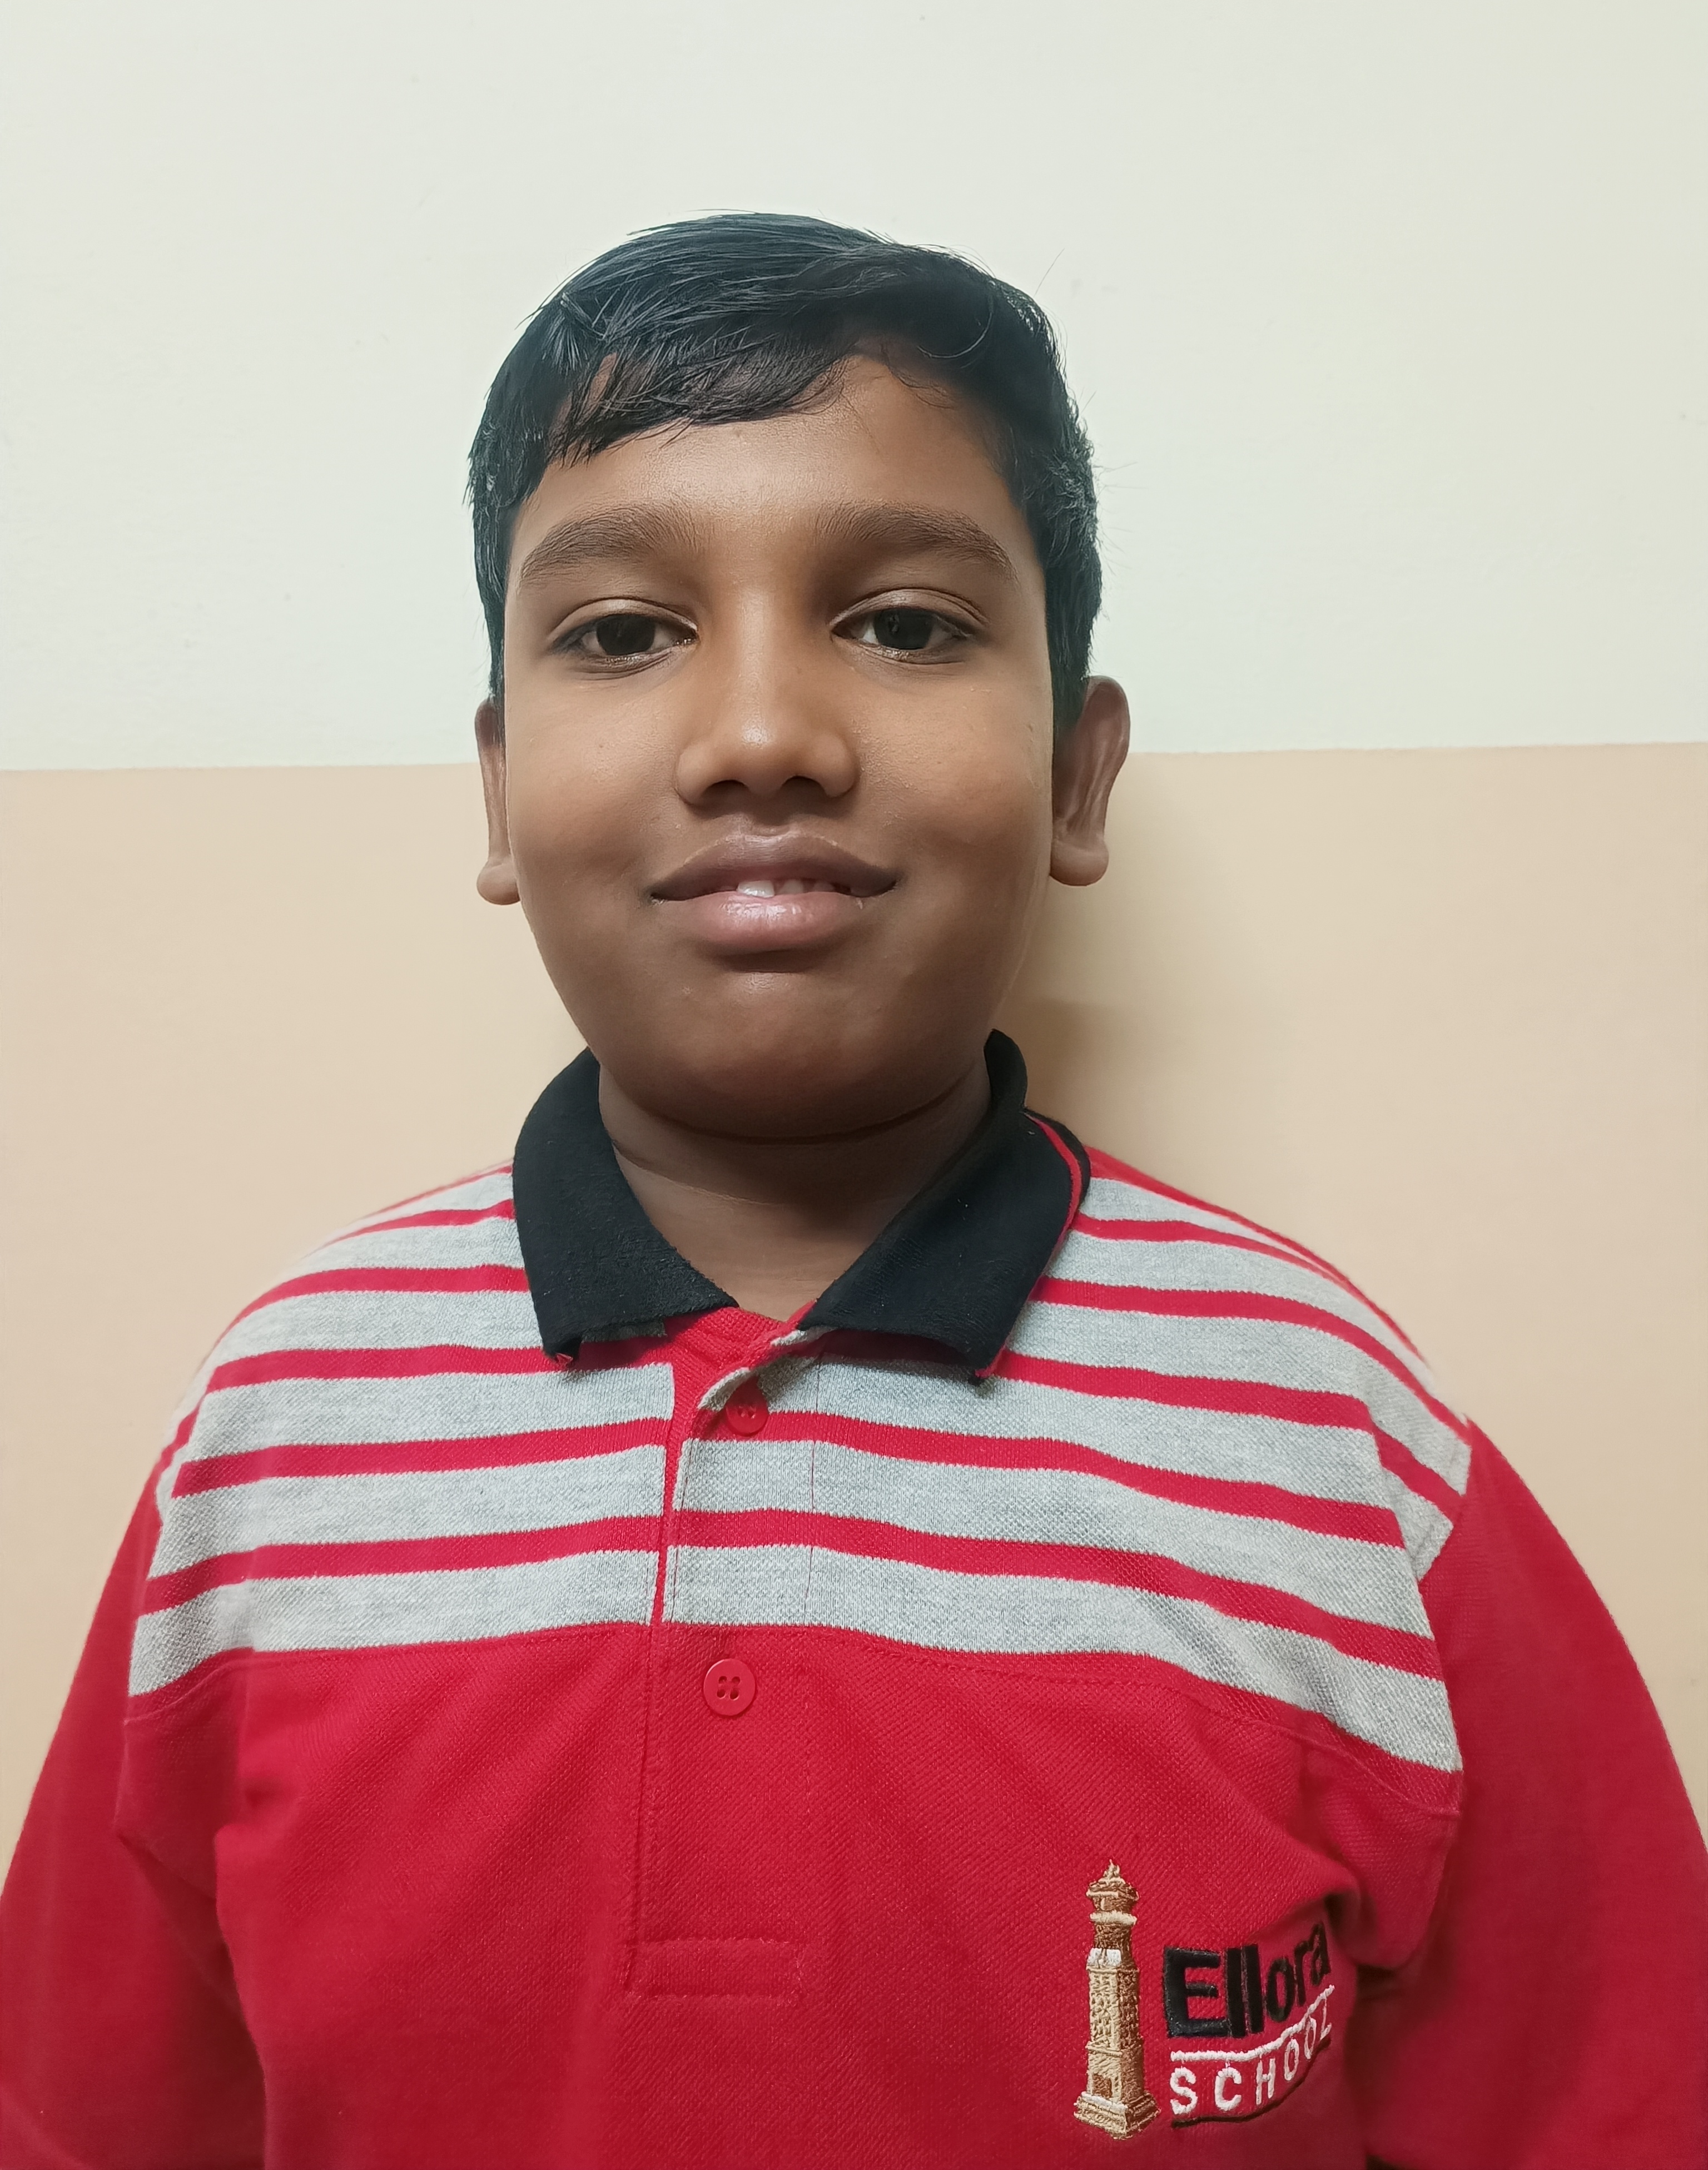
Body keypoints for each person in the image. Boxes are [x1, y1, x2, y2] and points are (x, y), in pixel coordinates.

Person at [2, 213, 1702, 2170]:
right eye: (621, 633)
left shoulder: (1340, 1450)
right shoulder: (280, 1435)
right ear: (497, 788)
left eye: (901, 624)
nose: (761, 740)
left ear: (1076, 777)